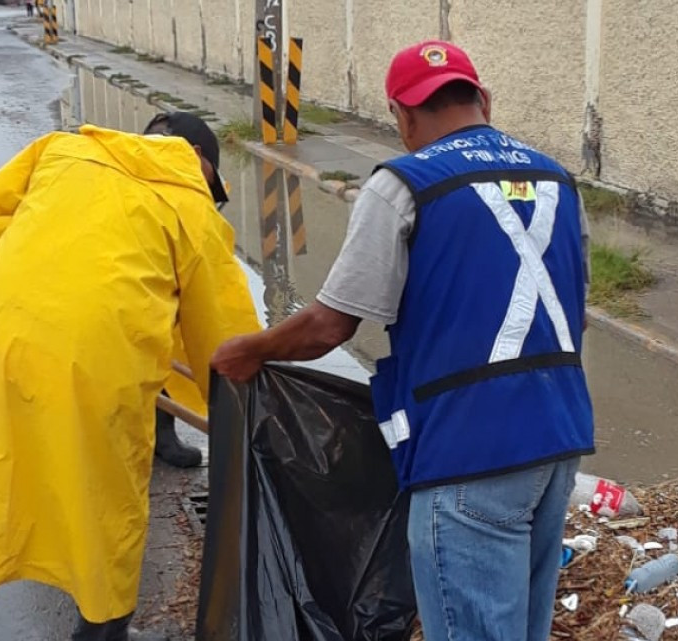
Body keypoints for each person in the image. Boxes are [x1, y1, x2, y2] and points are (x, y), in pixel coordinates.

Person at [210, 41, 594, 641]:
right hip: (558, 440)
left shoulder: (404, 185)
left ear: (402, 115)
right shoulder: (556, 180)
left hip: (468, 453)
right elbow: (575, 315)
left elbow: (330, 327)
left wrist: (249, 350)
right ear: (482, 99)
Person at [0, 112, 259, 641]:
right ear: (200, 160)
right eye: (212, 183)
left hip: (3, 342)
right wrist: (256, 421)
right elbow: (226, 345)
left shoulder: (59, 150)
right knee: (105, 509)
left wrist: (23, 303)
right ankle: (102, 632)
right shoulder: (188, 204)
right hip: (101, 367)